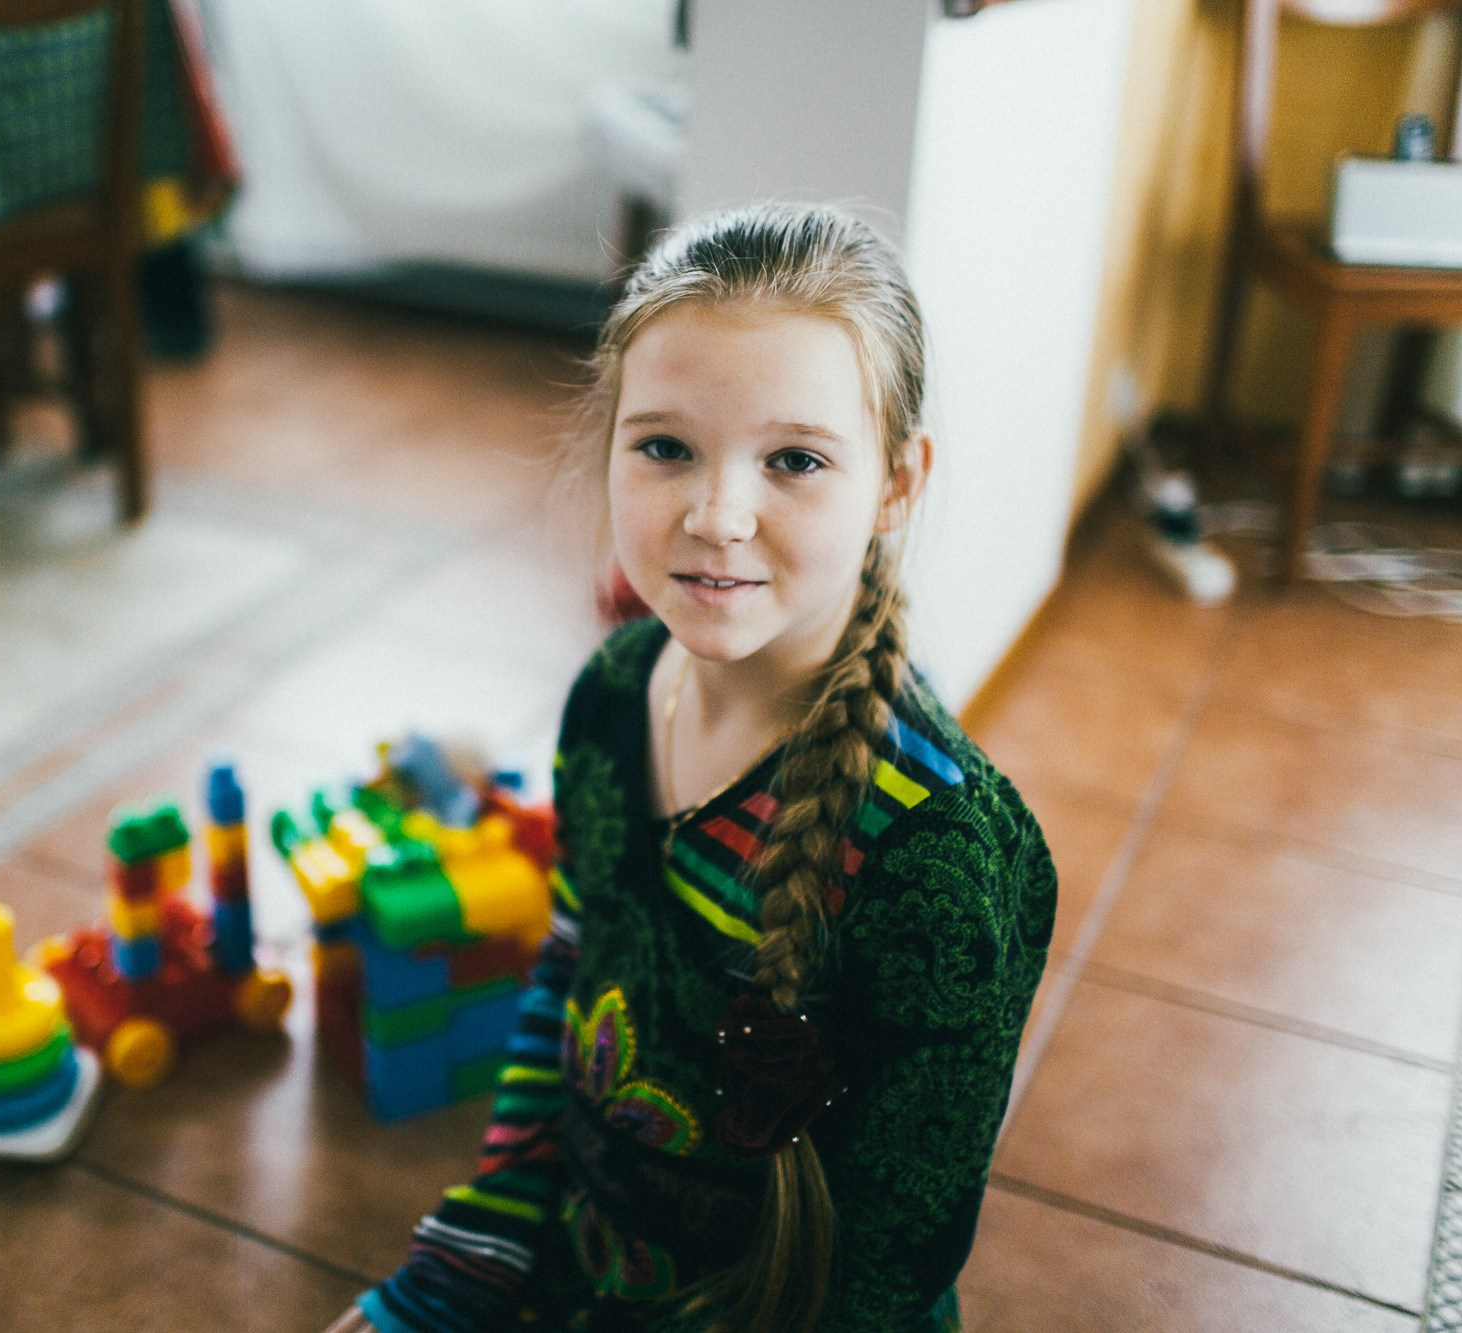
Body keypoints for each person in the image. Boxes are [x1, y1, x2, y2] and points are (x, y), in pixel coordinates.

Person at [327, 202, 1057, 1332]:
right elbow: (569, 979)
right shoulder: (613, 694)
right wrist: (463, 1267)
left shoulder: (938, 863)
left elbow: (884, 1274)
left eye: (795, 460)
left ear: (896, 484)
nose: (718, 516)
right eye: (666, 447)